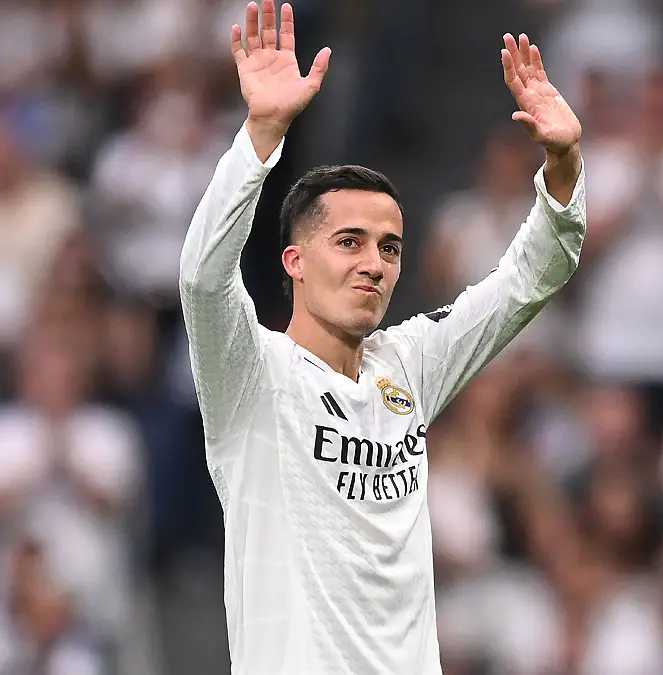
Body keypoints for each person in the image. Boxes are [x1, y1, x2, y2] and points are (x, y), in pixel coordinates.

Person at [178, 1, 586, 673]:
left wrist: (564, 163)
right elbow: (202, 280)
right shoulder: (252, 374)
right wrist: (260, 135)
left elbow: (527, 279)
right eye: (350, 242)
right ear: (294, 261)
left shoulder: (409, 364)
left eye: (389, 247)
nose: (374, 263)